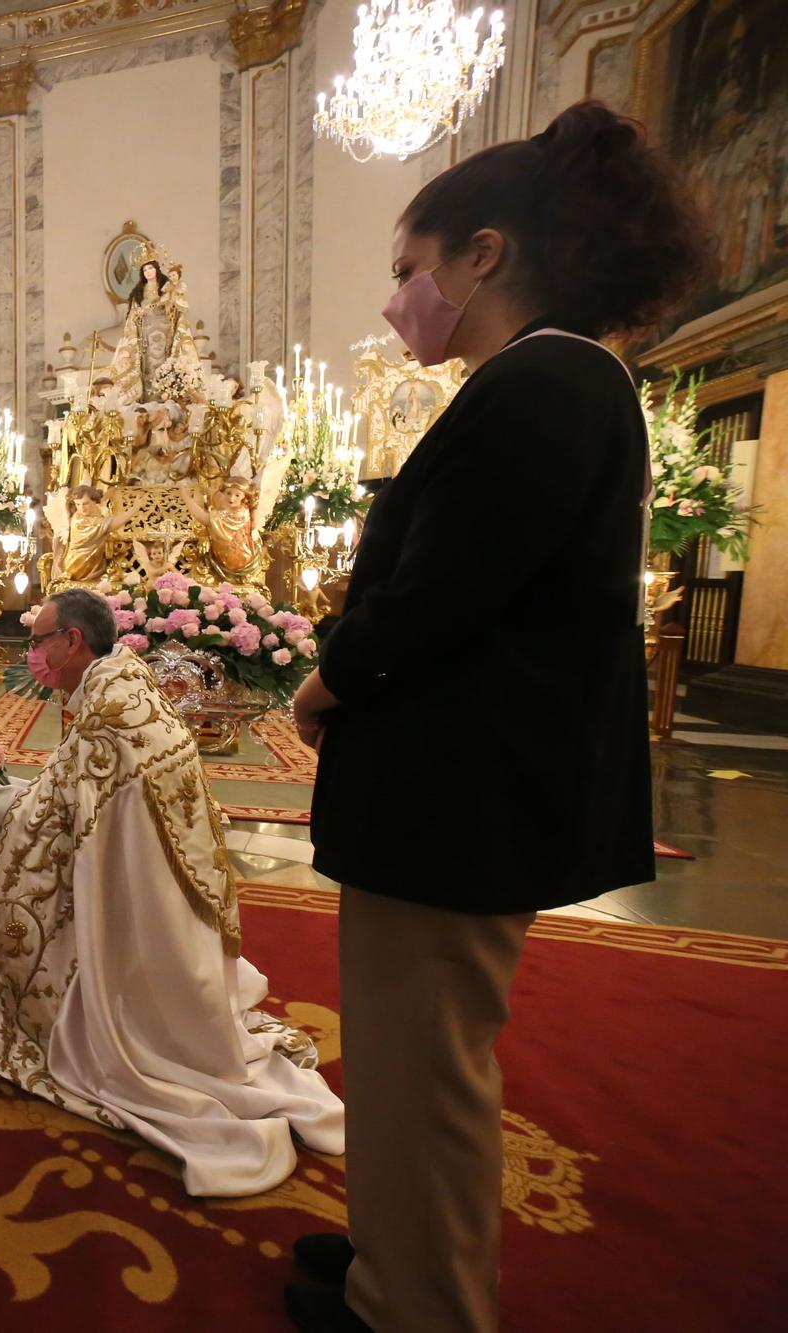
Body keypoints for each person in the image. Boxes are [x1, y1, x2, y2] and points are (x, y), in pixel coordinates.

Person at [285, 102, 716, 1333]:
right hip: (450, 800)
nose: (395, 302)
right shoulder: (550, 380)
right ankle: (391, 1266)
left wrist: (327, 682)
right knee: (401, 1059)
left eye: (407, 270)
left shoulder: (543, 383)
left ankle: (415, 1310)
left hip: (451, 804)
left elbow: (438, 600)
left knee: (421, 1071)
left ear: (483, 254)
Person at [0, 587, 342, 1195]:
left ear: (72, 641)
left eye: (41, 641)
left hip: (139, 910)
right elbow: (64, 798)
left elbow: (40, 826)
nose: (34, 655)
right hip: (165, 907)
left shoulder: (106, 716)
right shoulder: (127, 687)